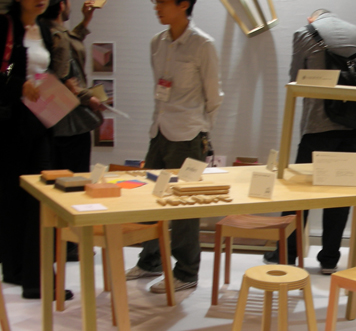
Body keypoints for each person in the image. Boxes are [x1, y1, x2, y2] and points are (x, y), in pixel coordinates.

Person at [126, 0, 223, 293]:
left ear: (183, 4)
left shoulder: (203, 44)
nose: (156, 7)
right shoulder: (157, 42)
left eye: (163, 1)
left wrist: (201, 131)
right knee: (151, 198)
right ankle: (150, 261)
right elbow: (160, 89)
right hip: (159, 131)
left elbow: (213, 96)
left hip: (188, 135)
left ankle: (186, 271)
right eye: (155, 2)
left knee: (183, 208)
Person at [264, 9, 356, 275]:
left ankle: (287, 253)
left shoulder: (304, 33)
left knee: (298, 194)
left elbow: (294, 80)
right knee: (340, 194)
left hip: (319, 126)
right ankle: (330, 259)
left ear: (312, 19)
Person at [0, 0, 72, 299]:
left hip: (38, 121)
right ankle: (26, 275)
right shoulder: (7, 26)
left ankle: (28, 274)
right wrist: (18, 84)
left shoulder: (43, 28)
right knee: (17, 199)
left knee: (37, 200)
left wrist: (59, 85)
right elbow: (7, 69)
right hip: (12, 125)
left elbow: (43, 70)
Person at [41, 0, 102, 262]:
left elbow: (69, 45)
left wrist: (85, 23)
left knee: (59, 183)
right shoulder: (57, 36)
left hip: (55, 122)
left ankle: (62, 244)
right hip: (71, 121)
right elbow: (66, 78)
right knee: (74, 185)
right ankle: (70, 244)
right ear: (61, 5)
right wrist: (90, 98)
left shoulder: (46, 31)